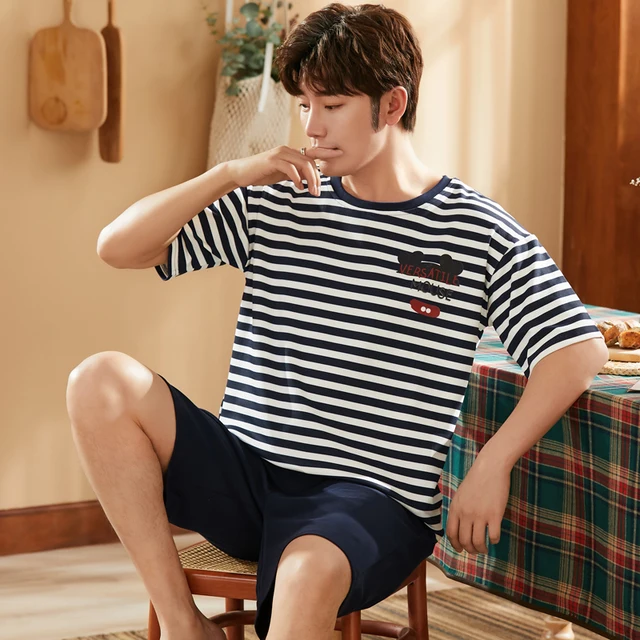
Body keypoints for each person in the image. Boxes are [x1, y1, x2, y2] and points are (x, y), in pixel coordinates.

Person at [66, 4, 609, 640]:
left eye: (333, 105)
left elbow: (577, 349)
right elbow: (118, 247)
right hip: (249, 477)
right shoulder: (278, 201)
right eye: (304, 105)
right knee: (97, 381)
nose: (312, 126)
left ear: (392, 104)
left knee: (306, 572)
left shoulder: (475, 229)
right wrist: (232, 173)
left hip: (372, 503)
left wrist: (492, 463)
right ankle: (187, 626)